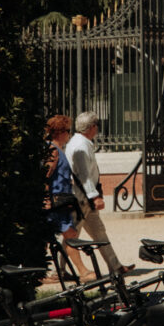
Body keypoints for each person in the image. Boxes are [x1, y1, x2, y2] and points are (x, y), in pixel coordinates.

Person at [65, 110, 124, 275]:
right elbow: (83, 174)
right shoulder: (80, 146)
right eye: (96, 125)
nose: (97, 129)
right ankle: (59, 271)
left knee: (98, 231)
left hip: (85, 198)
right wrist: (94, 196)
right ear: (91, 127)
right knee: (71, 235)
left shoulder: (81, 143)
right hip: (82, 199)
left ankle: (116, 266)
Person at [43, 112, 77, 253]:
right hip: (56, 201)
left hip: (61, 200)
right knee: (70, 235)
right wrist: (45, 199)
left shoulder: (58, 149)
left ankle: (62, 270)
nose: (69, 134)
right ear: (60, 132)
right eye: (68, 131)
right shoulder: (53, 150)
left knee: (62, 235)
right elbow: (46, 175)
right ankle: (82, 271)